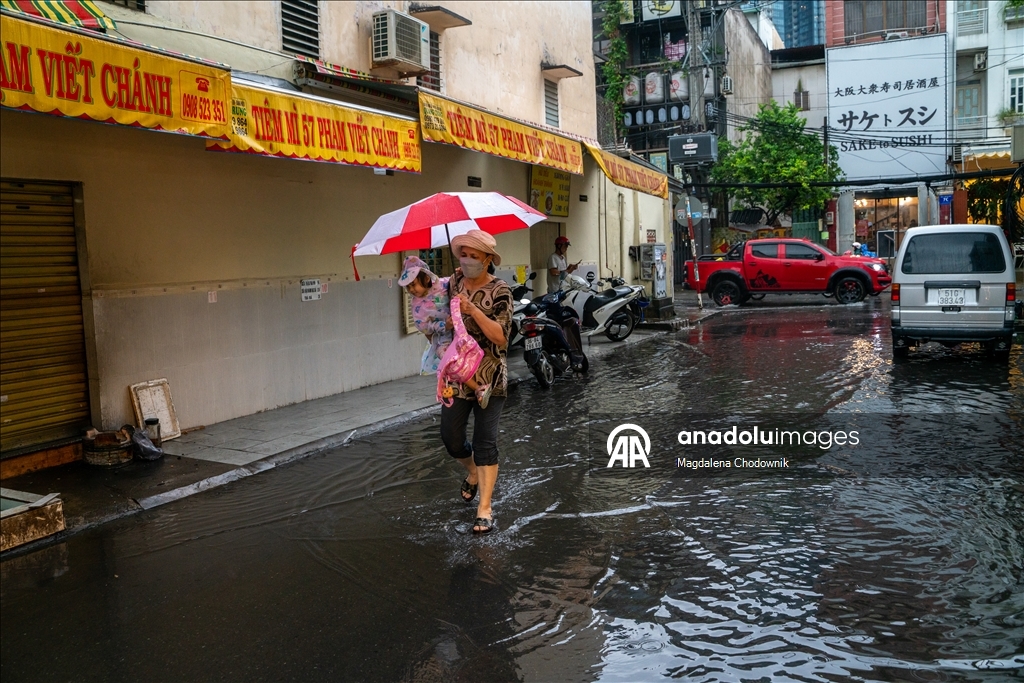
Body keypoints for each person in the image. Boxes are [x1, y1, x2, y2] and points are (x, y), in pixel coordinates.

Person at [442, 231, 513, 534]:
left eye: (473, 255)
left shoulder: (501, 291)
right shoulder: (455, 282)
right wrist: (450, 318)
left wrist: (473, 311)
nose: (467, 260)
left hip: (490, 375)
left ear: (487, 259)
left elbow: (501, 337)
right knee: (451, 436)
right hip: (459, 374)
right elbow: (449, 314)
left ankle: (485, 507)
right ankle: (472, 472)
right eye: (464, 254)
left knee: (486, 442)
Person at [399, 255, 489, 403]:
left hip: (462, 326)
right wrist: (442, 326)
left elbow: (456, 282)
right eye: (408, 286)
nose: (411, 289)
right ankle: (477, 387)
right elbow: (423, 326)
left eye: (413, 284)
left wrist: (461, 272)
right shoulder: (417, 305)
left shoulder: (443, 284)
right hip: (443, 337)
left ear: (427, 278)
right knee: (449, 361)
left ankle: (480, 377)